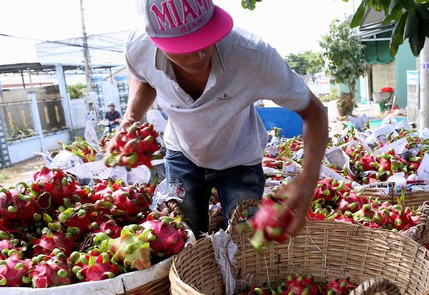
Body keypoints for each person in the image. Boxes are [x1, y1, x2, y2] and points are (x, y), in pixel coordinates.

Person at [109, 0, 329, 238]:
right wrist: (130, 119)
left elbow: (314, 111)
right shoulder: (138, 47)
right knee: (182, 239)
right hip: (182, 154)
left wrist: (307, 178)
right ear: (156, 42)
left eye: (206, 36)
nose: (201, 54)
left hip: (239, 158)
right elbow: (142, 77)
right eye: (186, 46)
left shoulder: (252, 56)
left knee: (245, 243)